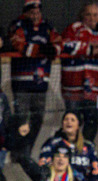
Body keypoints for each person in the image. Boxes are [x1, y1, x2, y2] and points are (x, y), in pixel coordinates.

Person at [8, 0, 61, 150]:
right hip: (22, 82)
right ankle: (18, 151)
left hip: (41, 82)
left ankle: (27, 151)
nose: (35, 16)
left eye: (38, 12)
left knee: (38, 119)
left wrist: (53, 49)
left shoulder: (48, 26)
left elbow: (58, 43)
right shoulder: (18, 25)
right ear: (26, 12)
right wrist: (42, 49)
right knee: (21, 119)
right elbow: (19, 45)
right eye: (32, 13)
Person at [60, 3, 98, 143]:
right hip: (73, 87)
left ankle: (84, 149)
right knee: (72, 121)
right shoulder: (74, 28)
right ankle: (68, 149)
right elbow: (64, 44)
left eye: (95, 15)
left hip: (96, 89)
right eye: (88, 14)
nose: (92, 18)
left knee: (93, 120)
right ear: (82, 16)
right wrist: (89, 49)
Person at [38, 111, 98, 181]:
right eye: (66, 119)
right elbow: (43, 166)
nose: (69, 122)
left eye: (72, 120)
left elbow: (94, 173)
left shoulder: (88, 147)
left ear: (78, 124)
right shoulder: (53, 143)